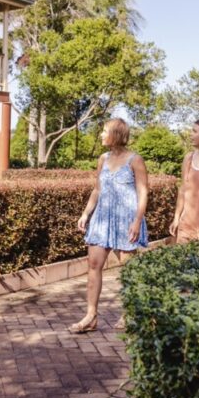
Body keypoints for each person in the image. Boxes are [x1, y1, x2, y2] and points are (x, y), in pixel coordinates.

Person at [70, 118, 149, 333]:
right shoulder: (102, 159)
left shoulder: (135, 160)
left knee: (128, 269)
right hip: (102, 218)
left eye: (104, 131)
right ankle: (90, 316)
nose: (101, 135)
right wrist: (86, 213)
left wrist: (137, 221)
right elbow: (97, 189)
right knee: (94, 265)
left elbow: (143, 192)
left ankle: (129, 313)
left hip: (127, 219)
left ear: (116, 134)